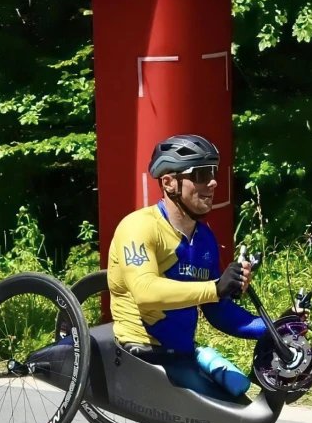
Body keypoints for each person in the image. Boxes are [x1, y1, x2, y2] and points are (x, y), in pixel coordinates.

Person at [107, 134, 268, 397]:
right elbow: (146, 292)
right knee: (228, 415)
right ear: (169, 183)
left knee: (241, 393)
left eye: (213, 172)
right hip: (143, 350)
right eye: (201, 174)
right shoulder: (139, 226)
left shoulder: (205, 239)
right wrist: (216, 287)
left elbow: (219, 312)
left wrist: (274, 328)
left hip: (181, 352)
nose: (213, 181)